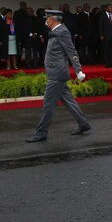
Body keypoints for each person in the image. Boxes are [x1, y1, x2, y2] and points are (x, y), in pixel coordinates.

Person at [26, 10, 91, 142]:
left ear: (53, 20)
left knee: (48, 104)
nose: (46, 21)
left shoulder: (62, 32)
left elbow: (71, 51)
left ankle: (41, 133)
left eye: (47, 18)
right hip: (55, 72)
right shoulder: (56, 31)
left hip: (57, 73)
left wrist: (78, 70)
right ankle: (83, 124)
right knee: (69, 101)